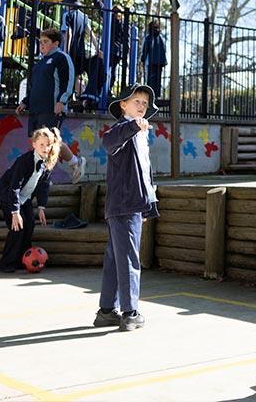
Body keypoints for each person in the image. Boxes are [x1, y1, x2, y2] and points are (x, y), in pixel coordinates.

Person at [93, 83, 160, 332]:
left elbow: (144, 174)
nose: (141, 106)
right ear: (123, 106)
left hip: (130, 205)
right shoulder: (123, 128)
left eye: (144, 103)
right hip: (123, 205)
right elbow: (108, 142)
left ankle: (106, 311)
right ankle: (130, 312)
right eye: (136, 102)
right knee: (130, 259)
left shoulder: (140, 134)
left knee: (114, 258)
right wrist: (133, 126)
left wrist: (146, 207)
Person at [16, 28, 88, 183]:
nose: (42, 45)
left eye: (46, 42)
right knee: (45, 142)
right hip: (36, 109)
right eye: (40, 42)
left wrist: (61, 101)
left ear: (56, 43)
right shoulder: (39, 64)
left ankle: (44, 177)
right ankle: (75, 162)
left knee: (48, 142)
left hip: (52, 108)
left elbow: (68, 82)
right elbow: (33, 86)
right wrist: (25, 102)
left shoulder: (61, 58)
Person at [0, 127, 62, 272]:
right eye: (42, 144)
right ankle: (6, 263)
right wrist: (15, 212)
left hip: (25, 197)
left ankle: (22, 260)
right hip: (9, 195)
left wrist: (41, 207)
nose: (45, 148)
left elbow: (43, 186)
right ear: (34, 145)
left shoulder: (47, 163)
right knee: (17, 227)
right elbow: (14, 187)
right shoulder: (24, 161)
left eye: (48, 145)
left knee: (29, 223)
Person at [60, 0, 99, 95]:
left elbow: (69, 34)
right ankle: (85, 96)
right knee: (76, 76)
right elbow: (91, 33)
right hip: (81, 52)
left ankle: (83, 97)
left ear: (69, 5)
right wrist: (97, 48)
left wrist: (66, 52)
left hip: (71, 51)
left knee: (69, 77)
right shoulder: (84, 17)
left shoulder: (67, 15)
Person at [140, 20, 167, 100]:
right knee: (158, 79)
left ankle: (150, 94)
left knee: (150, 79)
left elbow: (145, 49)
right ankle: (157, 95)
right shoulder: (161, 38)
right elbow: (164, 50)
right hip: (160, 62)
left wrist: (142, 60)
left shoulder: (148, 37)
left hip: (151, 61)